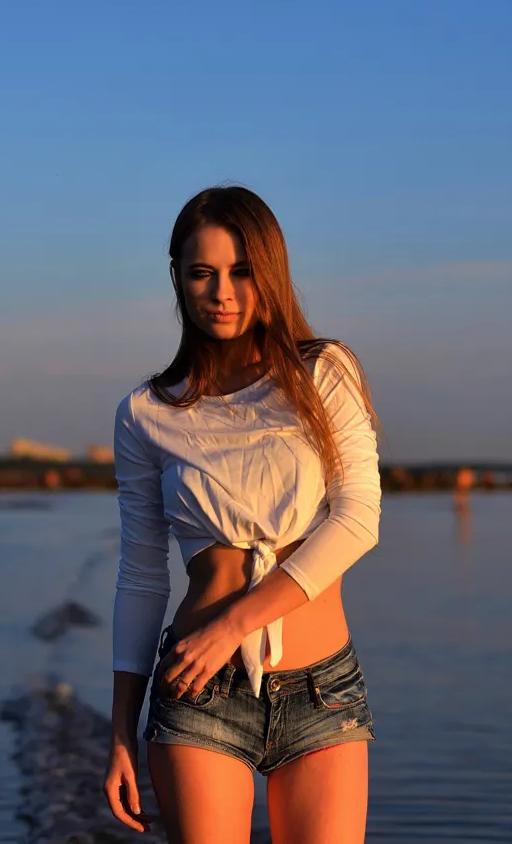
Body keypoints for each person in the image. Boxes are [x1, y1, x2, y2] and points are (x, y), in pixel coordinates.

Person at [102, 186, 383, 843]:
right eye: (202, 273)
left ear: (271, 272)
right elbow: (143, 575)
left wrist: (234, 623)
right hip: (201, 695)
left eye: (241, 271)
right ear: (177, 278)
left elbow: (357, 519)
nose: (221, 292)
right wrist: (120, 729)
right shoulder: (147, 413)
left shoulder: (323, 374)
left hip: (322, 694)